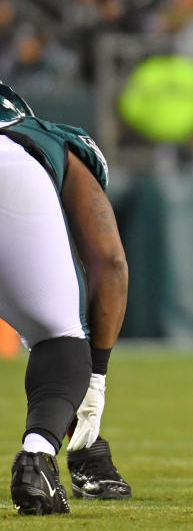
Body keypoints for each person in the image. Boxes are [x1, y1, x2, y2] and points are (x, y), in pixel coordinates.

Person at [0, 80, 131, 514]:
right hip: (9, 167)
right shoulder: (54, 142)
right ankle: (37, 458)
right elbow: (110, 263)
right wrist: (94, 381)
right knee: (58, 336)